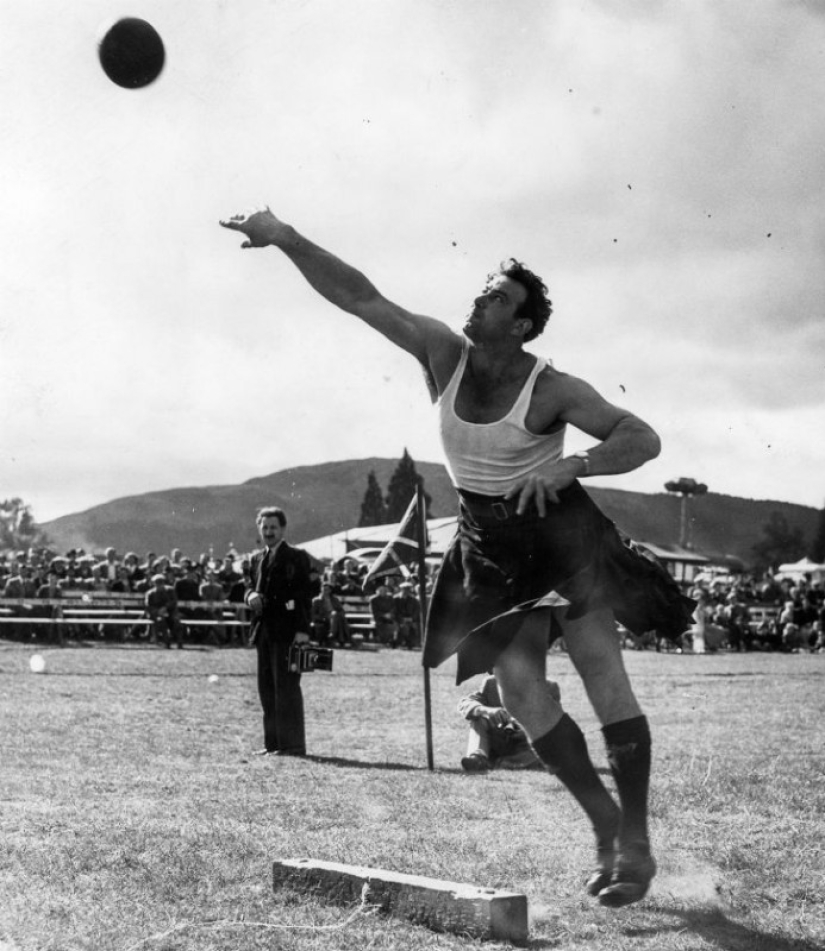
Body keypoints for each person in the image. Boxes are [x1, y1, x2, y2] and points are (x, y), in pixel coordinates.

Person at [219, 207, 696, 907]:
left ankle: (636, 844)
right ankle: (604, 822)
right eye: (482, 289)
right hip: (487, 546)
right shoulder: (443, 354)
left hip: (560, 537)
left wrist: (575, 465)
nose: (479, 299)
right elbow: (361, 297)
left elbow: (641, 436)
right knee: (525, 697)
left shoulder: (552, 387)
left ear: (523, 324)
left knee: (603, 681)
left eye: (497, 296)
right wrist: (286, 238)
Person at [244, 506, 314, 757]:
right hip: (263, 631)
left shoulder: (296, 557)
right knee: (267, 689)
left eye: (273, 527)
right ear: (259, 529)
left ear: (283, 529)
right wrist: (250, 595)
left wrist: (303, 630)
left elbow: (305, 596)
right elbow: (249, 586)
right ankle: (273, 743)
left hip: (287, 631)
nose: (269, 531)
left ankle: (292, 745)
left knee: (286, 688)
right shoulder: (255, 559)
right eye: (265, 527)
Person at [459, 673, 559, 773]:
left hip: (526, 744)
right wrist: (486, 710)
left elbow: (554, 723)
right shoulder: (491, 683)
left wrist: (525, 726)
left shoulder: (548, 687)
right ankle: (478, 758)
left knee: (547, 753)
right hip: (498, 739)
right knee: (478, 718)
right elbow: (466, 703)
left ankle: (504, 762)